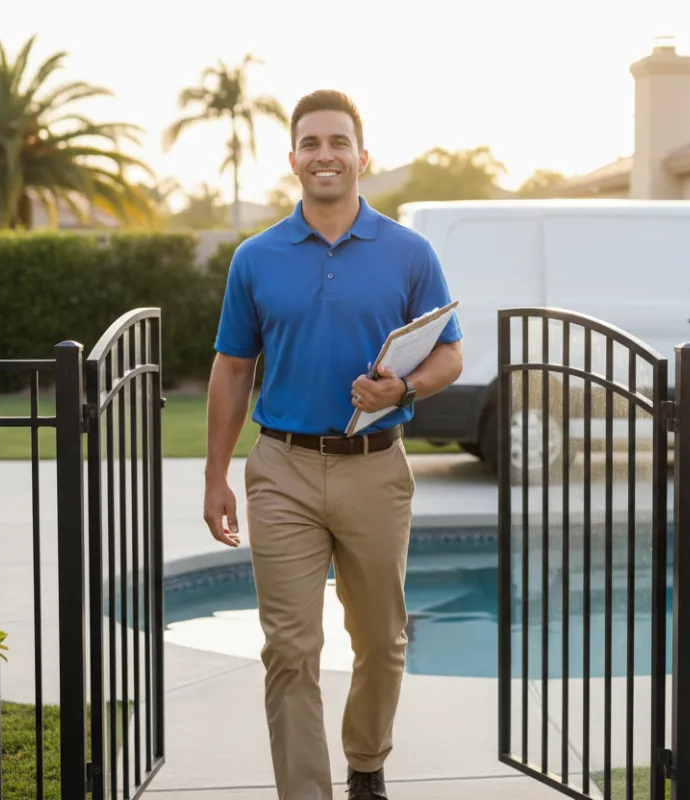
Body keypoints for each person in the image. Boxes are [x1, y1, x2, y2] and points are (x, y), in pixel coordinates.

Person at [201, 89, 463, 800]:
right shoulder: (255, 259)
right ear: (292, 160)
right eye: (311, 143)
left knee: (382, 642)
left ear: (362, 156)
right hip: (281, 467)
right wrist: (216, 475)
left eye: (338, 142)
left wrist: (401, 392)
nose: (325, 154)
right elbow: (231, 368)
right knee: (290, 650)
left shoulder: (411, 253)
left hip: (376, 470)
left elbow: (450, 357)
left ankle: (367, 762)